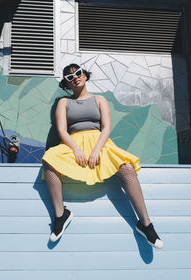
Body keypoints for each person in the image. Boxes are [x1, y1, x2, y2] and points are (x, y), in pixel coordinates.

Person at [41, 63, 163, 249]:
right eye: (70, 77)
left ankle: (145, 224)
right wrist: (76, 149)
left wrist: (97, 149)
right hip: (73, 143)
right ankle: (60, 215)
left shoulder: (100, 100)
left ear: (85, 75)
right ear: (67, 84)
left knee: (127, 168)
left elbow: (106, 128)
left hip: (100, 142)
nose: (75, 77)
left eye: (78, 73)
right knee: (49, 161)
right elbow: (61, 131)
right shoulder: (63, 103)